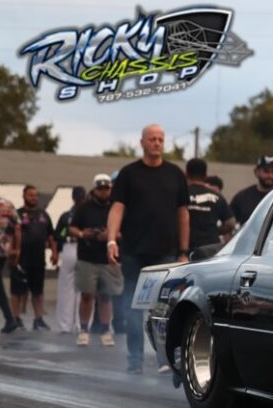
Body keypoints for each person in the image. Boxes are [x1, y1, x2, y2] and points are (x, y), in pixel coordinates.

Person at [106, 124, 190, 374]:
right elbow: (117, 208)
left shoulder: (175, 174)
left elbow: (183, 214)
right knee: (133, 308)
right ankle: (135, 361)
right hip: (134, 252)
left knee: (164, 308)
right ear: (142, 142)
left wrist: (183, 251)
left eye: (160, 139)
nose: (156, 142)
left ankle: (165, 360)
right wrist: (111, 240)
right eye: (152, 138)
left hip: (165, 253)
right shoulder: (129, 174)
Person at [69, 174, 122, 347]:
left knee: (106, 296)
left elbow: (125, 230)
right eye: (100, 189)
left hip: (108, 258)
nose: (104, 192)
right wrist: (83, 234)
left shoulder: (116, 207)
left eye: (106, 189)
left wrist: (110, 235)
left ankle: (105, 329)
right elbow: (72, 228)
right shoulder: (84, 207)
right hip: (87, 257)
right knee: (87, 295)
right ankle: (84, 330)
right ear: (94, 189)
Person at [11, 185, 57, 330]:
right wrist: (12, 253)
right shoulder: (17, 214)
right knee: (17, 291)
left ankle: (38, 319)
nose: (34, 198)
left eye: (36, 195)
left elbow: (51, 235)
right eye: (31, 195)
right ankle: (16, 318)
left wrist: (54, 253)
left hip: (38, 259)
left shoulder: (43, 215)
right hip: (21, 259)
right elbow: (10, 235)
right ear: (24, 196)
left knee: (38, 291)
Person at [53, 186, 86, 334]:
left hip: (77, 247)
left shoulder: (69, 215)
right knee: (72, 288)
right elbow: (59, 234)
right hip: (73, 247)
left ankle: (72, 325)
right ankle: (73, 325)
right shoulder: (68, 216)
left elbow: (59, 234)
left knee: (76, 289)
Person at [186, 158, 235, 252]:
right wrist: (215, 231)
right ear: (205, 176)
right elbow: (231, 223)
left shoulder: (181, 193)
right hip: (210, 247)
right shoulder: (216, 196)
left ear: (187, 174)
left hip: (186, 246)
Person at [230, 155, 273, 227]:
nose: (270, 175)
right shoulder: (242, 197)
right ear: (256, 172)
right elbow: (229, 223)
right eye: (266, 171)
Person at [0, 198, 19, 333]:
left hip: (1, 250)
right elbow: (17, 228)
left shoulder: (6, 205)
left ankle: (10, 319)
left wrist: (16, 250)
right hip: (2, 250)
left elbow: (16, 228)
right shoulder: (8, 204)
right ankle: (10, 319)